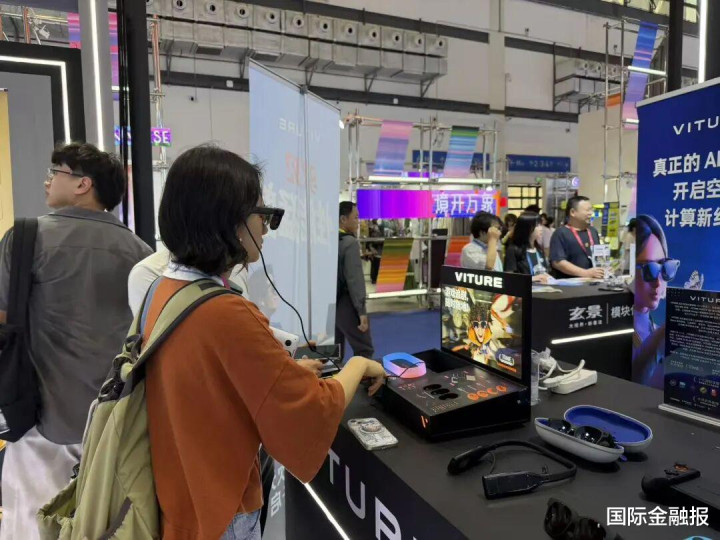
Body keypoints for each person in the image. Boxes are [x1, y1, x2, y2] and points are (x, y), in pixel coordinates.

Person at [145, 146, 385, 539]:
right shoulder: (226, 312)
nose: (266, 230)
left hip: (180, 492)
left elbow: (208, 382)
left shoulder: (163, 289)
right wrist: (360, 365)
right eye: (262, 215)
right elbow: (312, 413)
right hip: (221, 508)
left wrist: (283, 373)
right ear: (230, 221)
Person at [0, 142, 152, 539]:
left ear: (84, 184)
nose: (47, 181)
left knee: (31, 524)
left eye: (56, 172)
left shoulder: (26, 239)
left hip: (41, 425)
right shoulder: (142, 254)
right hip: (116, 429)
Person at [633, 215, 679, 390]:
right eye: (649, 269)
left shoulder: (654, 328)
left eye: (663, 266)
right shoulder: (615, 329)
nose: (658, 282)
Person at [337, 201, 375, 358]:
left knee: (334, 352)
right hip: (347, 303)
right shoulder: (349, 243)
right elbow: (355, 280)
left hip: (330, 305)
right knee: (364, 350)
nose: (358, 222)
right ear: (343, 219)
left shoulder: (330, 241)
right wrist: (361, 311)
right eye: (355, 218)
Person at [549, 195, 605, 279]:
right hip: (570, 284)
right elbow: (558, 262)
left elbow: (599, 256)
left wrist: (604, 268)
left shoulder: (593, 231)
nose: (591, 213)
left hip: (593, 282)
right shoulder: (561, 233)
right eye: (587, 210)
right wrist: (585, 273)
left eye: (591, 210)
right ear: (573, 212)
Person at [504, 212, 551, 283]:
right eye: (537, 225)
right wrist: (532, 279)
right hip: (523, 289)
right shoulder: (513, 249)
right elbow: (509, 278)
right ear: (526, 228)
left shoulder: (539, 249)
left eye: (540, 225)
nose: (541, 228)